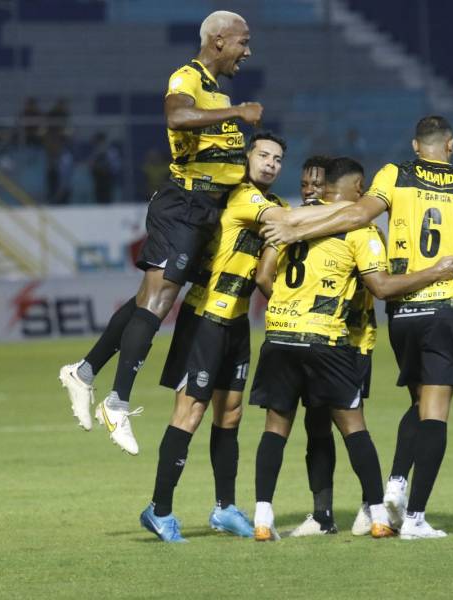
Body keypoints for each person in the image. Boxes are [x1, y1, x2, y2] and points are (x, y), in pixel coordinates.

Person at [261, 116, 453, 539]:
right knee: (434, 410)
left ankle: (393, 485)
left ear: (416, 145)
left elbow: (358, 214)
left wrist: (296, 223)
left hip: (401, 313)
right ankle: (413, 516)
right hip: (441, 301)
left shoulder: (394, 174)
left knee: (417, 399)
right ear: (451, 145)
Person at [58, 10, 263, 455]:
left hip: (206, 211)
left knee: (144, 301)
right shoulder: (187, 78)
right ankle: (116, 401)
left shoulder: (215, 91)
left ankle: (85, 372)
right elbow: (176, 117)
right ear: (219, 40)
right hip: (184, 206)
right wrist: (237, 111)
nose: (248, 51)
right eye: (243, 42)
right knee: (158, 302)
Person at [138, 134, 354, 542]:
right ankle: (159, 509)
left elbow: (281, 244)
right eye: (263, 155)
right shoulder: (241, 196)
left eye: (277, 159)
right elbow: (287, 226)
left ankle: (224, 508)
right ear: (247, 158)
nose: (271, 164)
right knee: (190, 413)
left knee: (231, 414)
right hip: (205, 318)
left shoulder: (276, 207)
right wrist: (352, 208)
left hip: (236, 322)